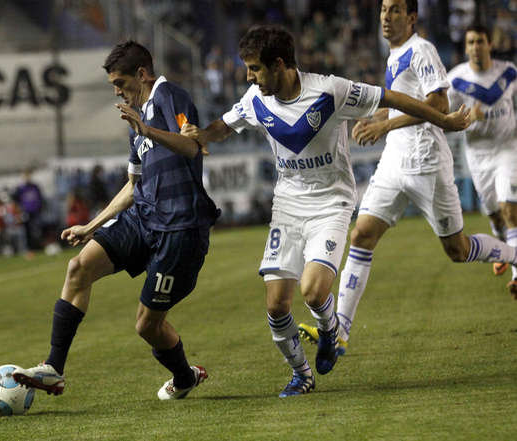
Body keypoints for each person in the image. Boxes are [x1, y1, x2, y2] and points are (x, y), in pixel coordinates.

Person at [181, 24, 471, 397]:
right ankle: (302, 375)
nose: (248, 76)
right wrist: (201, 135)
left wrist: (443, 119)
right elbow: (224, 126)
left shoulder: (331, 90)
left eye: (254, 68)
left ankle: (330, 330)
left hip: (332, 201)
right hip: (287, 204)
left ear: (280, 64)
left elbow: (393, 98)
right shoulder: (256, 98)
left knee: (314, 292)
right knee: (275, 305)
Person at [299, 0, 517, 357]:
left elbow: (438, 105)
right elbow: (408, 101)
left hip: (427, 163)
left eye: (396, 10)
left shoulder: (422, 50)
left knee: (457, 249)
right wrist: (379, 116)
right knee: (362, 234)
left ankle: (514, 253)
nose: (386, 15)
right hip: (395, 160)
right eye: (384, 9)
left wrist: (385, 124)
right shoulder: (395, 54)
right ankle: (340, 331)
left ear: (412, 18)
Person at [12, 41, 219, 401]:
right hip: (144, 217)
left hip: (180, 230)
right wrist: (91, 225)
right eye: (114, 86)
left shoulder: (170, 97)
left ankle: (185, 376)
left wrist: (147, 129)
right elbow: (133, 184)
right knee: (79, 268)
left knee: (147, 325)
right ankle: (53, 370)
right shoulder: (134, 121)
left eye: (121, 83)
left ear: (142, 74)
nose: (118, 92)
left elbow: (192, 147)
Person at [447, 24, 517, 298]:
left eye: (480, 41)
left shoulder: (509, 73)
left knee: (509, 209)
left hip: (507, 148)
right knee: (495, 216)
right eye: (471, 42)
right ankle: (503, 248)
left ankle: (516, 275)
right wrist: (468, 119)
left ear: (490, 44)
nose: (476, 46)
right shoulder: (455, 81)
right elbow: (443, 119)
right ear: (466, 48)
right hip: (477, 155)